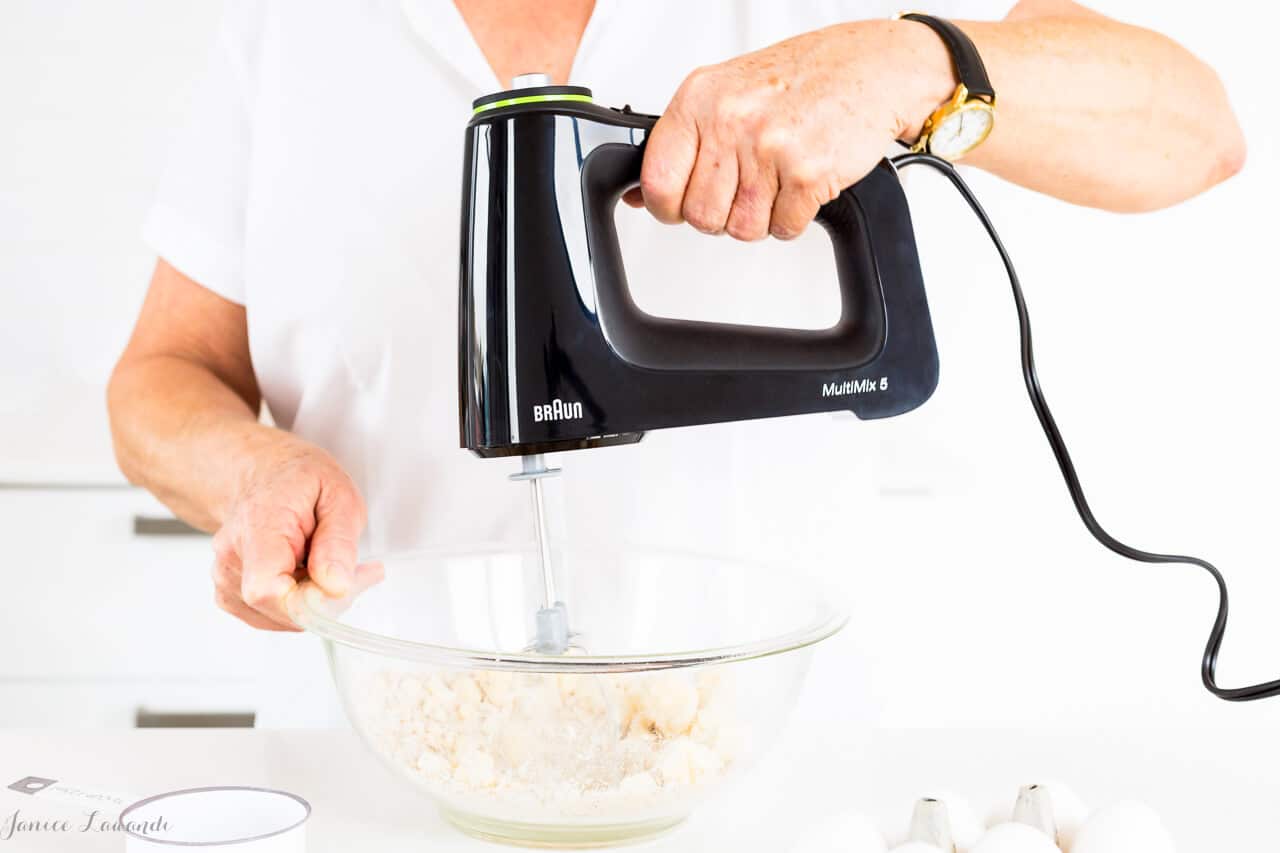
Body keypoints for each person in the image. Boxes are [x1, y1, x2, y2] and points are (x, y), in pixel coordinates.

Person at [107, 0, 1243, 722]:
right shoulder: (286, 26)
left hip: (764, 749)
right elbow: (160, 375)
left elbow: (1195, 131)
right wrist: (249, 472)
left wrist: (906, 61)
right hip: (388, 742)